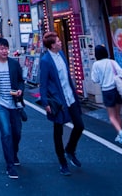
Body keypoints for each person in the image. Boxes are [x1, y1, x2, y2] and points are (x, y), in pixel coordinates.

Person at [37, 31, 85, 176]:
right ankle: (62, 162)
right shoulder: (45, 61)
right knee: (58, 131)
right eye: (57, 41)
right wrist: (45, 102)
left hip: (70, 96)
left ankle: (70, 149)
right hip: (57, 100)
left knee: (80, 125)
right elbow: (43, 83)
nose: (60, 42)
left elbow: (67, 77)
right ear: (52, 45)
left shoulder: (62, 55)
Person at [0, 37, 25, 179]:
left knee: (17, 132)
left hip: (14, 103)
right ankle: (10, 166)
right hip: (0, 103)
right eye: (2, 48)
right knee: (6, 133)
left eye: (6, 48)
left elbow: (21, 81)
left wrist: (20, 90)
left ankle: (14, 153)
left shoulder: (14, 64)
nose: (4, 51)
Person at [90, 44, 122, 148]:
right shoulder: (112, 62)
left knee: (111, 116)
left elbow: (95, 79)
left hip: (107, 91)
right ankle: (120, 134)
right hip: (117, 89)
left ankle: (120, 132)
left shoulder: (96, 64)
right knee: (118, 114)